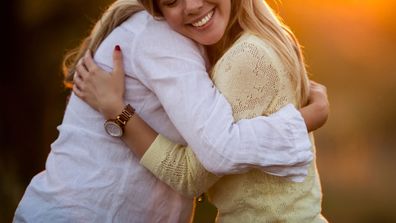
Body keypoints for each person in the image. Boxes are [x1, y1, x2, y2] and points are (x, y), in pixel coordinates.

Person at [13, 1, 328, 223]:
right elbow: (214, 156)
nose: (191, 6)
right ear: (157, 9)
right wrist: (309, 118)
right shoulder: (165, 39)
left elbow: (209, 157)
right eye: (172, 0)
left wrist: (116, 110)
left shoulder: (241, 54)